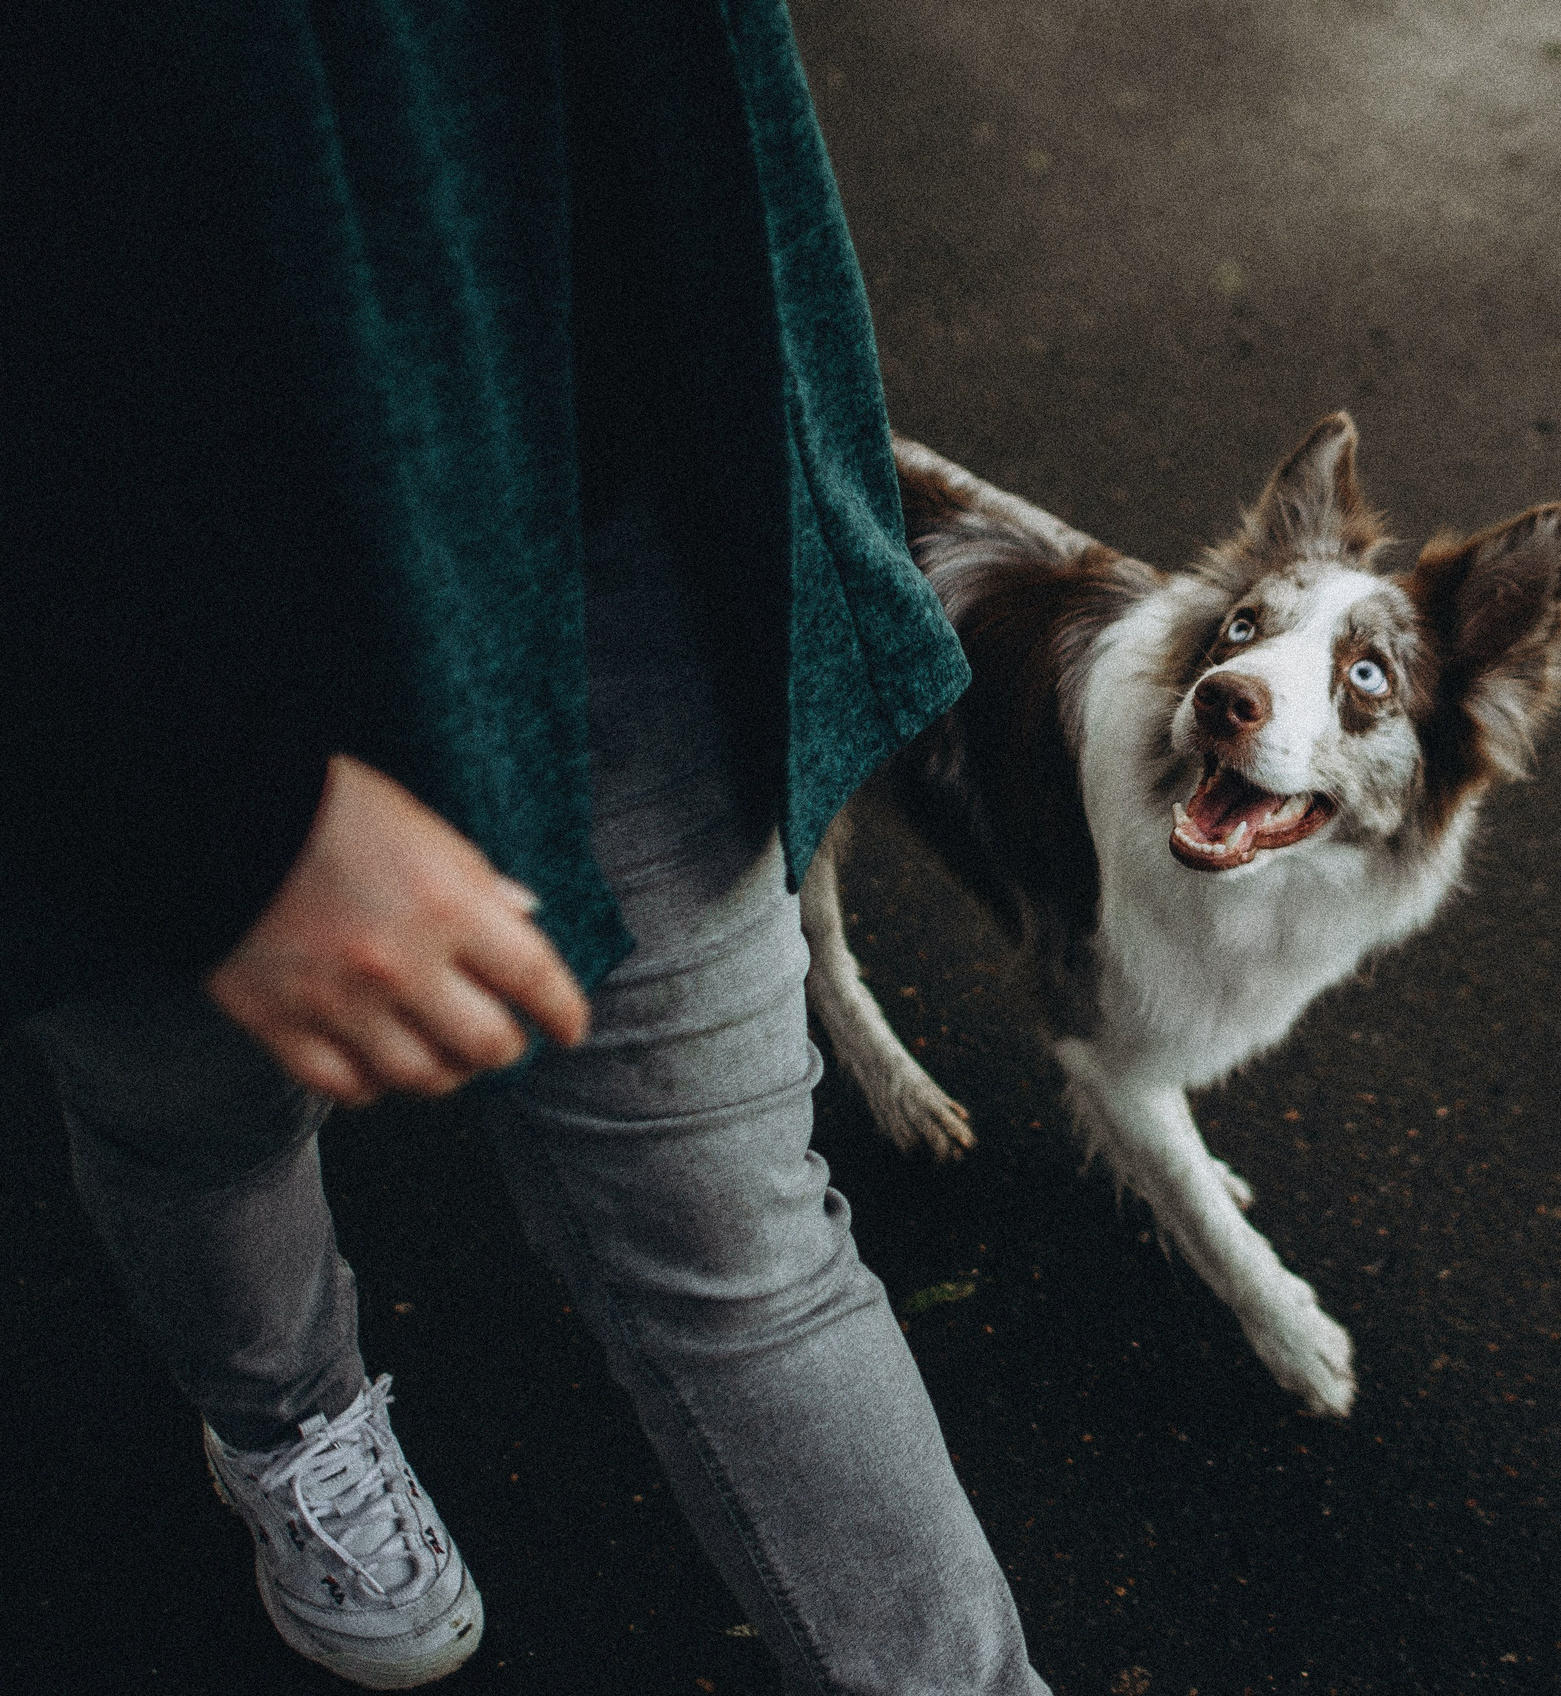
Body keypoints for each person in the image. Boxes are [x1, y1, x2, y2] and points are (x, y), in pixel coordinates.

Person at [2, 4, 1048, 1691]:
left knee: (744, 1241)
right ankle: (286, 1420)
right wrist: (220, 806)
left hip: (576, 473)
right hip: (135, 568)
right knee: (201, 1119)